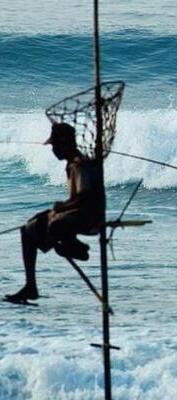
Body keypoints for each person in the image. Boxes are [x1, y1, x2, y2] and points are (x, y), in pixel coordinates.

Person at [4, 123, 104, 305]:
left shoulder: (78, 165)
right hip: (77, 214)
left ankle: (75, 247)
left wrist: (61, 207)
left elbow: (84, 196)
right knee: (27, 229)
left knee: (55, 224)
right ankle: (31, 286)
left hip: (87, 218)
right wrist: (55, 210)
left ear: (64, 144)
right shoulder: (72, 164)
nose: (53, 150)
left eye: (54, 146)